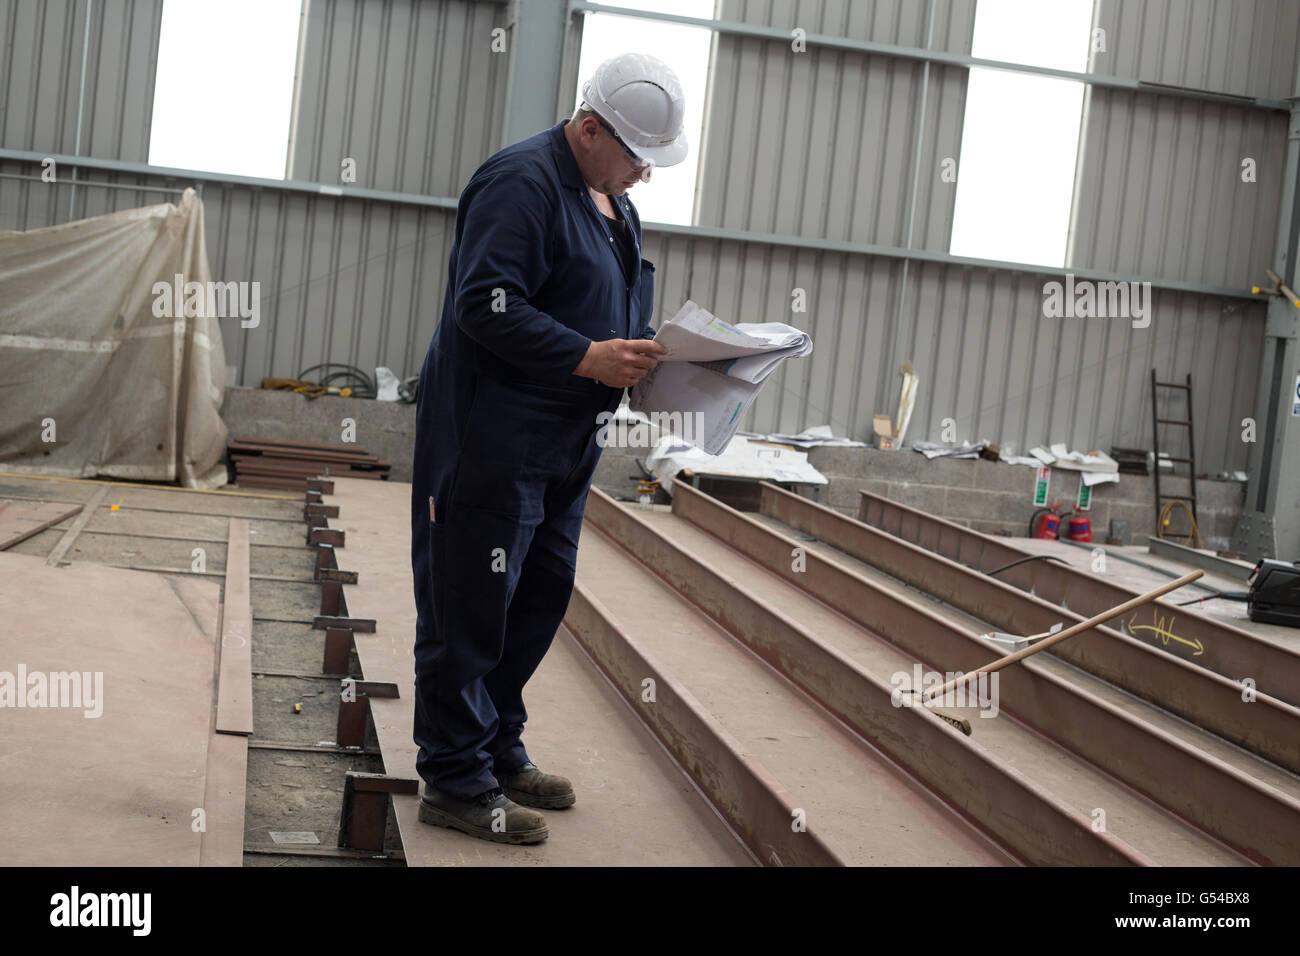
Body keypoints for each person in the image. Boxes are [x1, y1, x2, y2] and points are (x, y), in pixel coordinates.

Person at [410, 53, 690, 845]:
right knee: (471, 600)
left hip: (567, 442)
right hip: (494, 435)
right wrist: (588, 356)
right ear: (590, 127)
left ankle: (497, 746)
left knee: (536, 597)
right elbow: (484, 303)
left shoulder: (611, 200)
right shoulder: (522, 183)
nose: (645, 172)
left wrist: (641, 362)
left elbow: (609, 303)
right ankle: (455, 778)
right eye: (636, 154)